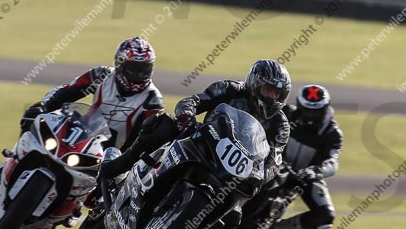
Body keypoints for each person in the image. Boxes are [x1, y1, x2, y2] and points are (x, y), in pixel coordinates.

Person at [18, 37, 164, 225]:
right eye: (133, 68)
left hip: (115, 153)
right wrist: (44, 106)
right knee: (33, 119)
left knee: (102, 201)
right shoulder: (102, 75)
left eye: (144, 69)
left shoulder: (153, 99)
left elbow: (146, 137)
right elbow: (69, 91)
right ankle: (17, 158)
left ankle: (76, 209)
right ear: (120, 64)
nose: (138, 74)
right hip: (82, 130)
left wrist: (125, 162)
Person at [99, 59, 292, 187]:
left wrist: (262, 176)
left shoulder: (280, 125)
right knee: (162, 125)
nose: (272, 97)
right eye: (268, 90)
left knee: (237, 214)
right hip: (206, 139)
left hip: (238, 167)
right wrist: (186, 114)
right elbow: (194, 101)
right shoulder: (230, 89)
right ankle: (119, 166)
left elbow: (274, 159)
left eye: (277, 93)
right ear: (255, 84)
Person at [265, 83, 343, 229]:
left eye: (317, 112)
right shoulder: (286, 114)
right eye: (307, 111)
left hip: (305, 176)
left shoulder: (332, 133)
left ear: (325, 109)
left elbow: (332, 162)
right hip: (272, 163)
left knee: (325, 216)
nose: (311, 116)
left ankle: (281, 228)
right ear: (300, 107)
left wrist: (315, 171)